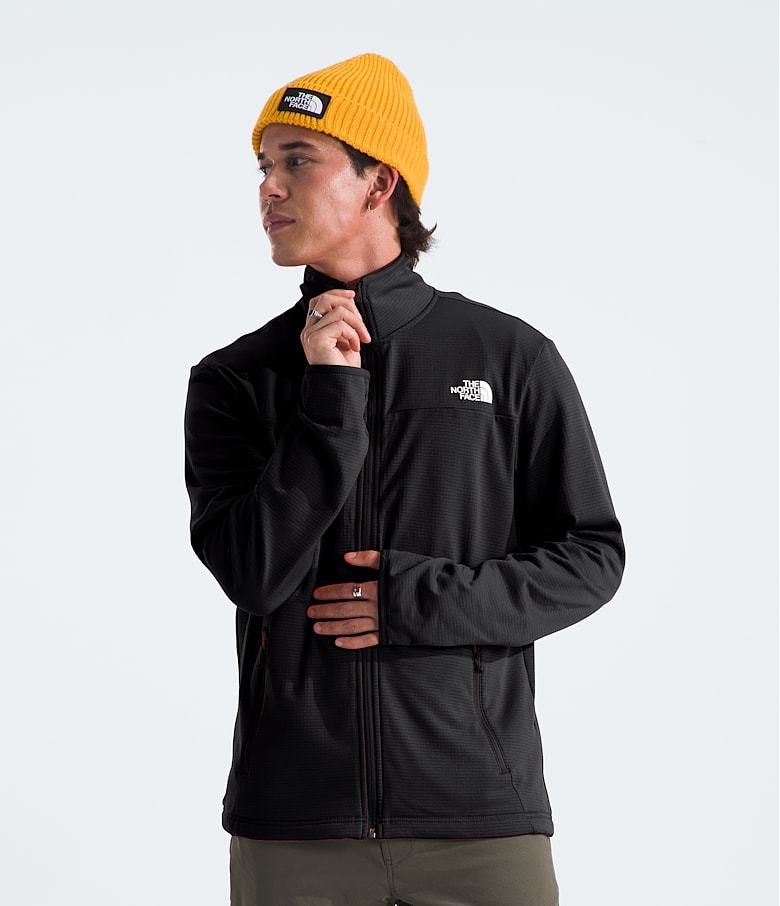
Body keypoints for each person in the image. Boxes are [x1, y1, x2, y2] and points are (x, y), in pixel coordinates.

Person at [183, 51, 625, 906]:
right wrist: (329, 396)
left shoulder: (508, 356)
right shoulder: (236, 378)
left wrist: (418, 601)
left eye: (298, 161)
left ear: (379, 182)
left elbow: (590, 557)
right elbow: (252, 571)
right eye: (264, 166)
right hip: (294, 827)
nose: (269, 187)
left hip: (480, 822)